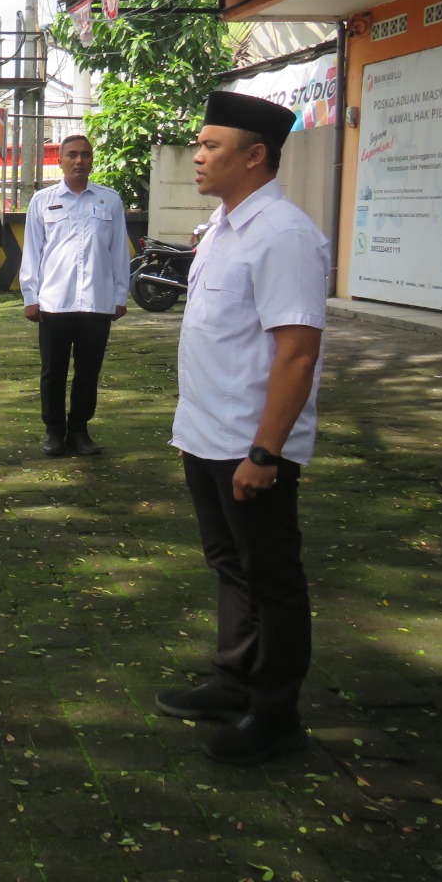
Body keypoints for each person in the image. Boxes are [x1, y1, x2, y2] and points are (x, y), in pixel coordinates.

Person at [155, 90, 327, 766]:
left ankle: (276, 714)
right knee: (230, 565)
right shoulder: (224, 228)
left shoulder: (283, 234)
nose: (197, 156)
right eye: (198, 144)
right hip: (206, 434)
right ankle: (234, 682)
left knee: (271, 575)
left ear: (255, 156)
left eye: (210, 146)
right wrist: (193, 434)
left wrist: (266, 451)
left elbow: (298, 353)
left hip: (250, 444)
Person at [19, 134, 131, 457]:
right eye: (72, 155)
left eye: (85, 155)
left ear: (92, 160)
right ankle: (54, 431)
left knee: (88, 371)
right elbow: (32, 251)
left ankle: (80, 430)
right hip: (54, 301)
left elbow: (119, 252)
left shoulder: (110, 200)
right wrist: (30, 295)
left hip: (97, 301)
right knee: (52, 372)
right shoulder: (43, 200)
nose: (79, 161)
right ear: (60, 160)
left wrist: (120, 296)